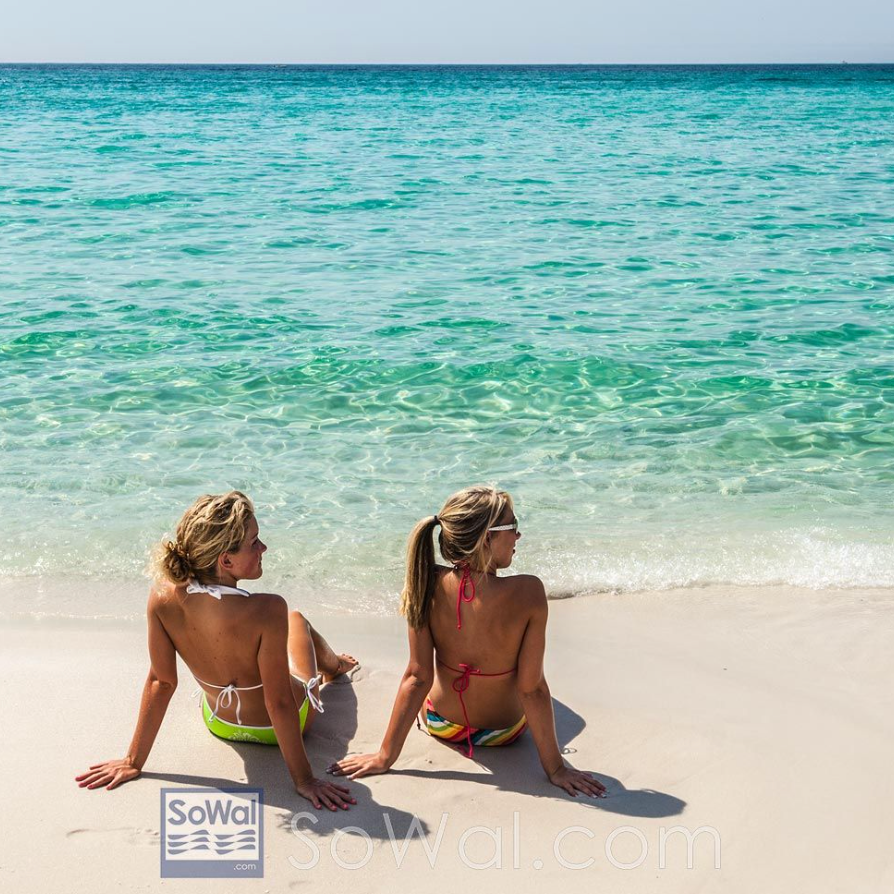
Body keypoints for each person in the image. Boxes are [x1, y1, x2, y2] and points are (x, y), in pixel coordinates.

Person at [75, 491, 357, 811]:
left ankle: (333, 666)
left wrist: (132, 760)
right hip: (274, 731)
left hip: (220, 722)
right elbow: (278, 702)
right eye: (254, 542)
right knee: (297, 620)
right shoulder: (268, 609)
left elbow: (161, 682)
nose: (263, 548)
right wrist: (304, 781)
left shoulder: (161, 598)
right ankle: (333, 668)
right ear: (226, 560)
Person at [328, 485, 606, 798]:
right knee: (550, 699)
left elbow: (417, 677)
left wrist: (385, 756)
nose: (518, 536)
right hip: (504, 734)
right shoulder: (528, 592)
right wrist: (556, 769)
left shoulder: (426, 580)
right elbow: (532, 689)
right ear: (487, 537)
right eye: (512, 527)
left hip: (441, 724)